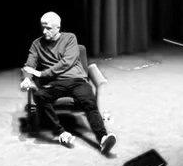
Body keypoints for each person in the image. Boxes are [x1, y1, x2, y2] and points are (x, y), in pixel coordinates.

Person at [22, 11, 115, 155]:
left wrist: (42, 74)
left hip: (76, 80)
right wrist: (27, 78)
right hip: (55, 83)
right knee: (40, 96)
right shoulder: (37, 44)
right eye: (42, 27)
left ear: (57, 27)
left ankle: (102, 138)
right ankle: (61, 133)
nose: (44, 31)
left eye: (48, 28)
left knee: (89, 102)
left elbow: (66, 63)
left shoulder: (70, 38)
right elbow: (29, 64)